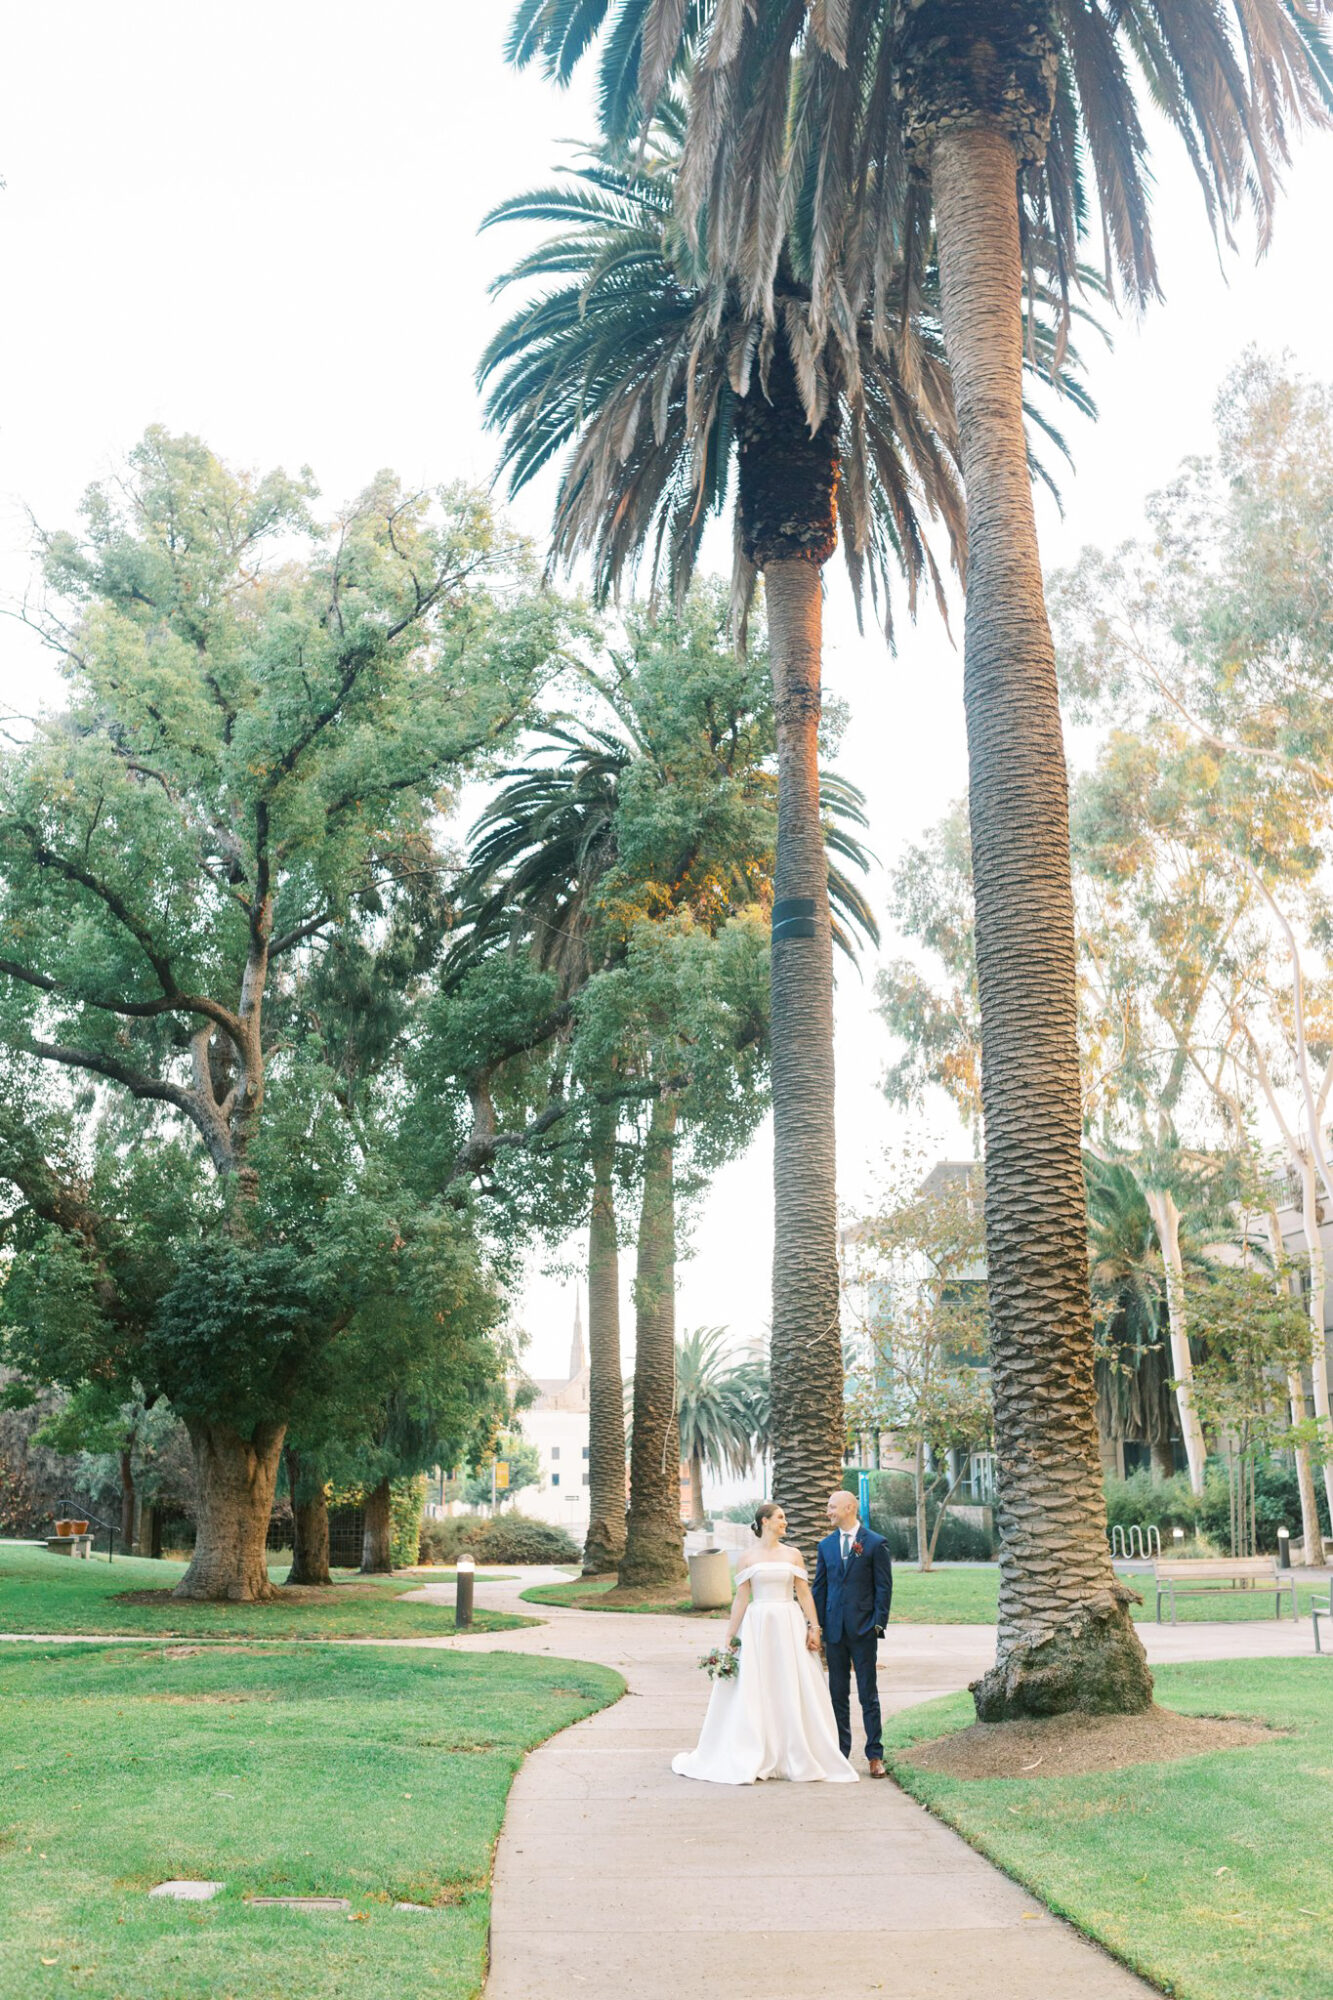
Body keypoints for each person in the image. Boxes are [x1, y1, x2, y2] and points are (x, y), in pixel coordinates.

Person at [671, 1501, 857, 1785]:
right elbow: (741, 1598)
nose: (785, 1521)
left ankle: (794, 1752)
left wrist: (814, 1627)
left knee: (790, 1683)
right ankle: (757, 1749)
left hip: (788, 1622)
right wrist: (730, 1636)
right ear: (765, 1522)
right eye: (780, 1517)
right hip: (758, 1625)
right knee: (759, 1685)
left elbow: (804, 1594)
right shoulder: (747, 1558)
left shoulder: (793, 1555)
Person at [812, 1488, 893, 1779]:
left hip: (863, 1631)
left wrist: (877, 1625)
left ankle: (875, 1755)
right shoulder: (826, 1546)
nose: (828, 1511)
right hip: (834, 1632)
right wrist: (816, 1627)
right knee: (837, 1694)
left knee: (868, 1695)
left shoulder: (874, 1543)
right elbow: (819, 1589)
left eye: (832, 1506)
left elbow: (884, 1589)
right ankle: (841, 1753)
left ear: (848, 1508)